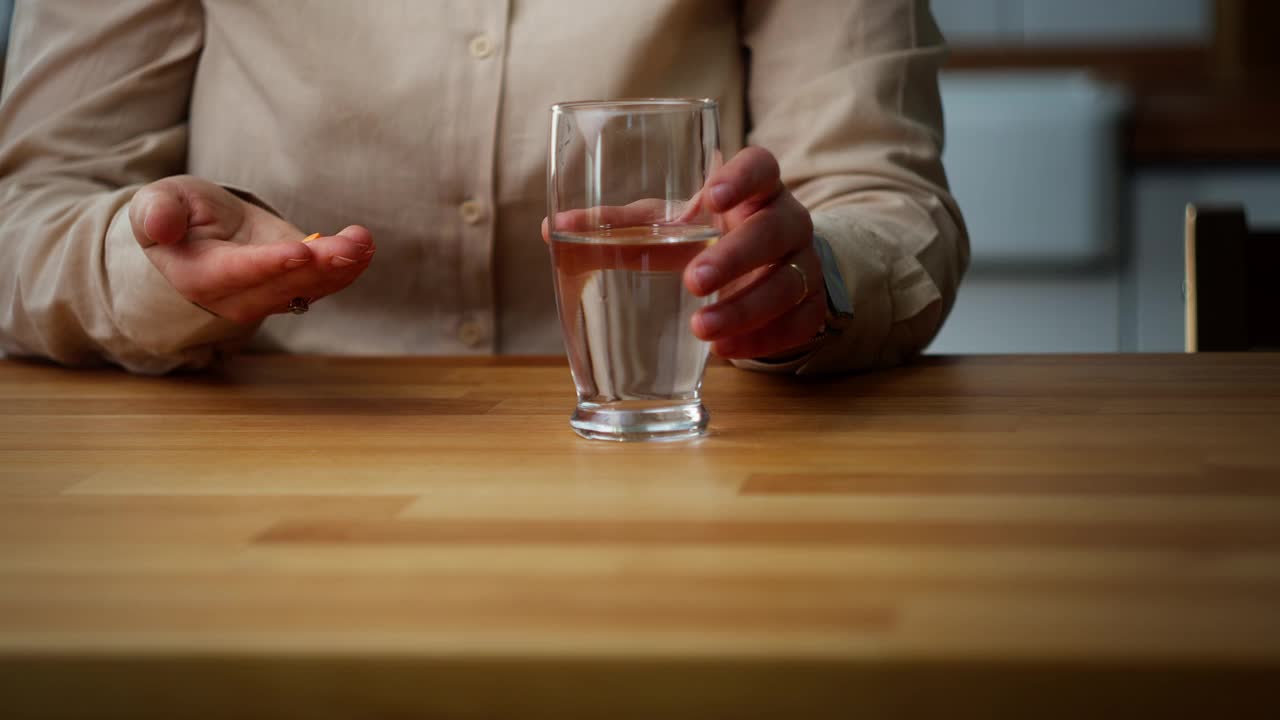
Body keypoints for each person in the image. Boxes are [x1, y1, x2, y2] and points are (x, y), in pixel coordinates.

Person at [0, 0, 967, 376]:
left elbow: (882, 190)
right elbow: (26, 216)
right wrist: (152, 271)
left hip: (689, 480)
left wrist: (816, 279)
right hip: (252, 489)